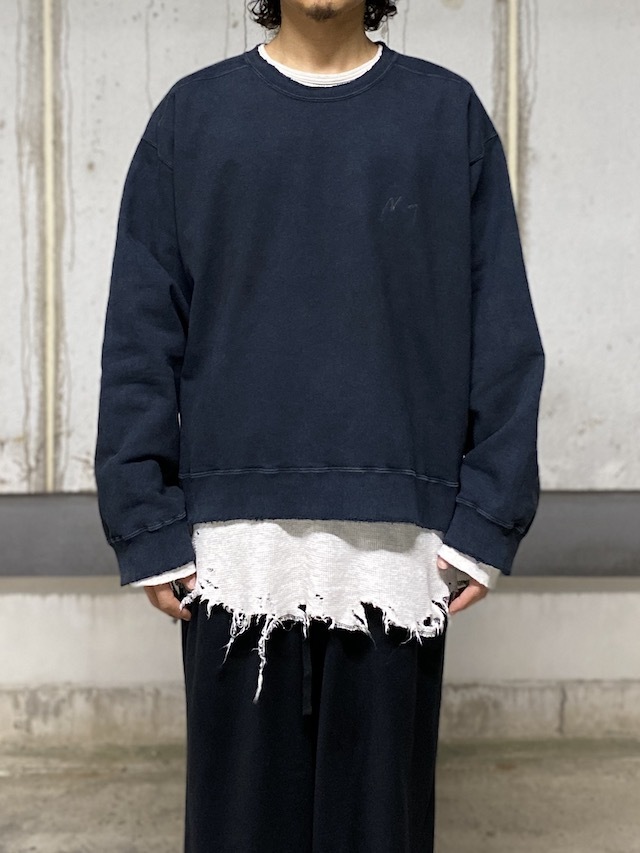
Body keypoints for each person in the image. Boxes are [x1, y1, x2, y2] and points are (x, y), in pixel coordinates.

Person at [94, 1, 545, 850]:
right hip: (234, 555)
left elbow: (503, 331)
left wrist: (488, 515)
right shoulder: (193, 118)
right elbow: (140, 333)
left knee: (380, 829)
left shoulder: (445, 117)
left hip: (397, 553)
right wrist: (144, 518)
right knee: (238, 829)